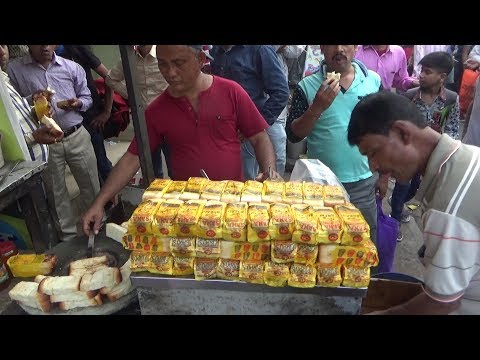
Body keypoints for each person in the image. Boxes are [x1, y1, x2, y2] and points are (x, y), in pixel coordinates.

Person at [82, 45, 277, 235]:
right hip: (187, 211)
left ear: (200, 59)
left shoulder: (231, 92)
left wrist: (268, 173)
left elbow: (259, 138)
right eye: (163, 64)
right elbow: (132, 158)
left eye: (178, 63)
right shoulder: (157, 110)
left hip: (232, 205)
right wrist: (100, 202)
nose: (170, 73)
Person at [348, 90, 480, 315]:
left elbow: (441, 302)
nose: (373, 166)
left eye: (373, 152)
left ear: (402, 133)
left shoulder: (448, 206)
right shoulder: (467, 155)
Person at [286, 45, 383, 244]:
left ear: (356, 48)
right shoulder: (307, 85)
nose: (339, 49)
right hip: (321, 184)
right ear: (321, 48)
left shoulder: (373, 81)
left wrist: (385, 176)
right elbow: (294, 135)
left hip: (363, 184)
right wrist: (317, 107)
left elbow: (385, 128)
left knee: (362, 243)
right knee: (319, 243)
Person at [8, 45, 100, 242]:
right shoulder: (14, 70)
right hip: (46, 141)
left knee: (91, 184)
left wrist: (78, 103)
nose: (45, 47)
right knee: (56, 194)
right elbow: (13, 104)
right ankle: (68, 240)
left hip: (76, 136)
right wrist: (33, 104)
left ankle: (96, 229)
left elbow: (87, 98)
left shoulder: (72, 67)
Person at [389, 51, 460, 241]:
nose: (420, 75)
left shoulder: (451, 99)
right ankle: (394, 220)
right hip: (407, 155)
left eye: (427, 72)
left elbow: (453, 129)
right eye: (421, 70)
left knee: (416, 189)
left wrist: (445, 153)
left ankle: (399, 204)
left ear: (442, 77)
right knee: (402, 187)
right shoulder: (410, 96)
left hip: (432, 157)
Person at [210, 45, 290, 179]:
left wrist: (255, 125)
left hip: (258, 125)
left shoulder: (260, 49)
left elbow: (281, 92)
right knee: (240, 181)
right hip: (230, 130)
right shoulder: (216, 51)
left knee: (268, 181)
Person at [106, 45, 170, 178]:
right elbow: (111, 79)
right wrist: (133, 96)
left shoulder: (163, 53)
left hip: (168, 119)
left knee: (175, 166)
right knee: (153, 168)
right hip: (145, 121)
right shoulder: (128, 59)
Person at [61, 45, 114, 184]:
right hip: (64, 125)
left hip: (90, 117)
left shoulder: (76, 49)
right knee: (86, 171)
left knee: (100, 161)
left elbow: (109, 77)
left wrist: (107, 111)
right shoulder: (38, 58)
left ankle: (114, 201)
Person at [0, 45, 55, 162]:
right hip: (20, 173)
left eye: (3, 45)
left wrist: (35, 108)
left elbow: (12, 113)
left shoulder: (3, 78)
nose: (2, 52)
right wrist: (33, 137)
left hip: (37, 164)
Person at [355, 45, 419, 93]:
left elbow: (400, 80)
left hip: (384, 102)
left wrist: (412, 82)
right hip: (359, 101)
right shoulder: (356, 50)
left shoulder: (398, 53)